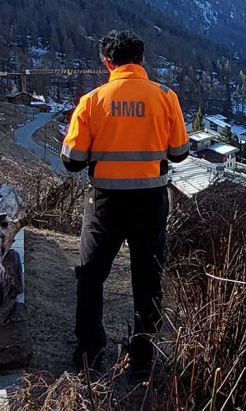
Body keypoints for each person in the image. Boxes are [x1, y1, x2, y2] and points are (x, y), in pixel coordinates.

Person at [60, 29, 190, 372]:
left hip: (105, 202)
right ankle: (142, 357)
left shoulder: (92, 100)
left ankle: (90, 351)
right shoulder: (165, 96)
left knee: (90, 276)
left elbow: (71, 160)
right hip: (150, 201)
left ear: (107, 62)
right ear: (142, 59)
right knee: (147, 280)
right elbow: (179, 153)